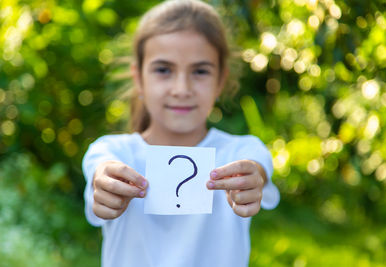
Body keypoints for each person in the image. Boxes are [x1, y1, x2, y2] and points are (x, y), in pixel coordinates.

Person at [82, 1, 280, 266]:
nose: (182, 88)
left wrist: (252, 179)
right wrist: (105, 184)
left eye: (199, 71)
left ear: (221, 80)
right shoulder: (113, 152)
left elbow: (258, 166)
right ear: (138, 78)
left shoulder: (240, 152)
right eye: (164, 70)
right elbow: (100, 168)